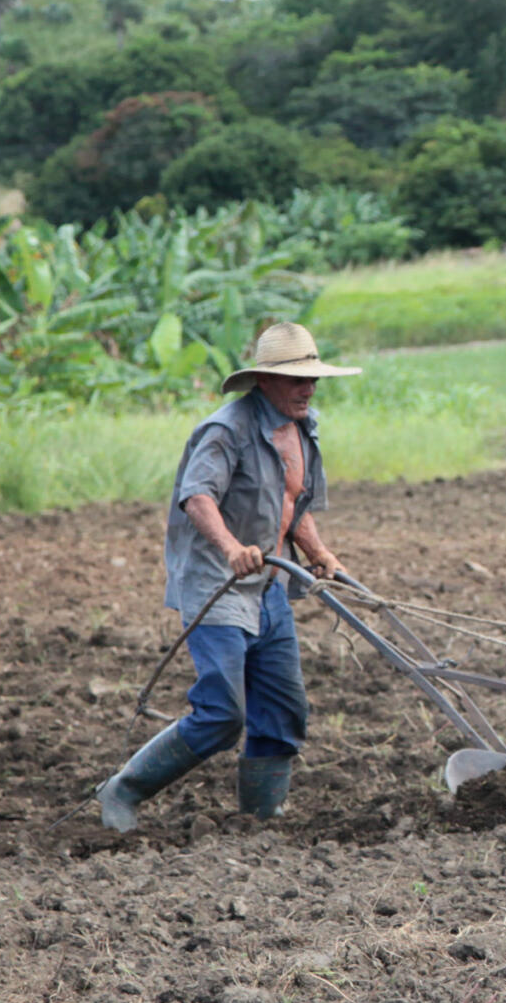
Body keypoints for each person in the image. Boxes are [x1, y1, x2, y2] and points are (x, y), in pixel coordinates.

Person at [95, 321, 359, 832]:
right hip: (218, 587)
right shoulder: (227, 430)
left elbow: (291, 503)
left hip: (271, 586)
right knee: (222, 713)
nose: (308, 389)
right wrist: (233, 548)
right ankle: (123, 789)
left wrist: (321, 553)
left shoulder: (304, 428)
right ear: (264, 379)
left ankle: (261, 820)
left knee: (283, 709)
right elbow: (197, 497)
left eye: (312, 379)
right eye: (297, 379)